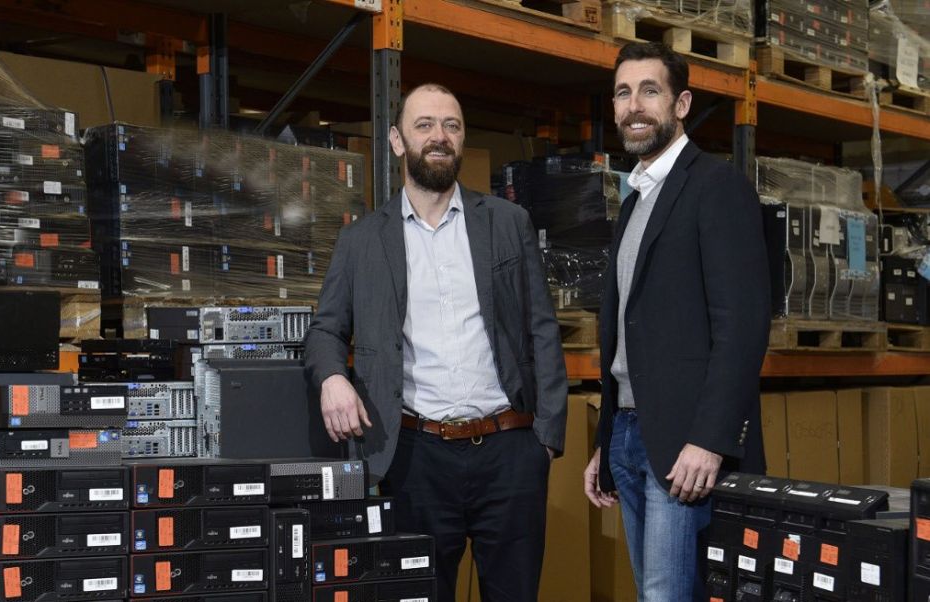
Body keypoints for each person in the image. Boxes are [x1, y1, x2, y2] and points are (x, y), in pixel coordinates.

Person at [304, 83, 568, 602]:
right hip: (414, 457)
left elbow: (542, 326)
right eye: (424, 125)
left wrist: (546, 439)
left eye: (451, 125)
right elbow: (325, 330)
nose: (439, 137)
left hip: (509, 451)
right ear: (398, 141)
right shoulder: (362, 241)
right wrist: (333, 377)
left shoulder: (507, 222)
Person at [582, 42, 771, 600]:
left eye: (650, 91)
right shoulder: (637, 198)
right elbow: (629, 332)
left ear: (681, 103)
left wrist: (711, 440)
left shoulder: (715, 188)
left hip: (685, 446)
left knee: (668, 596)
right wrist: (606, 437)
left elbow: (743, 326)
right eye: (622, 93)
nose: (633, 105)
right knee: (655, 593)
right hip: (629, 435)